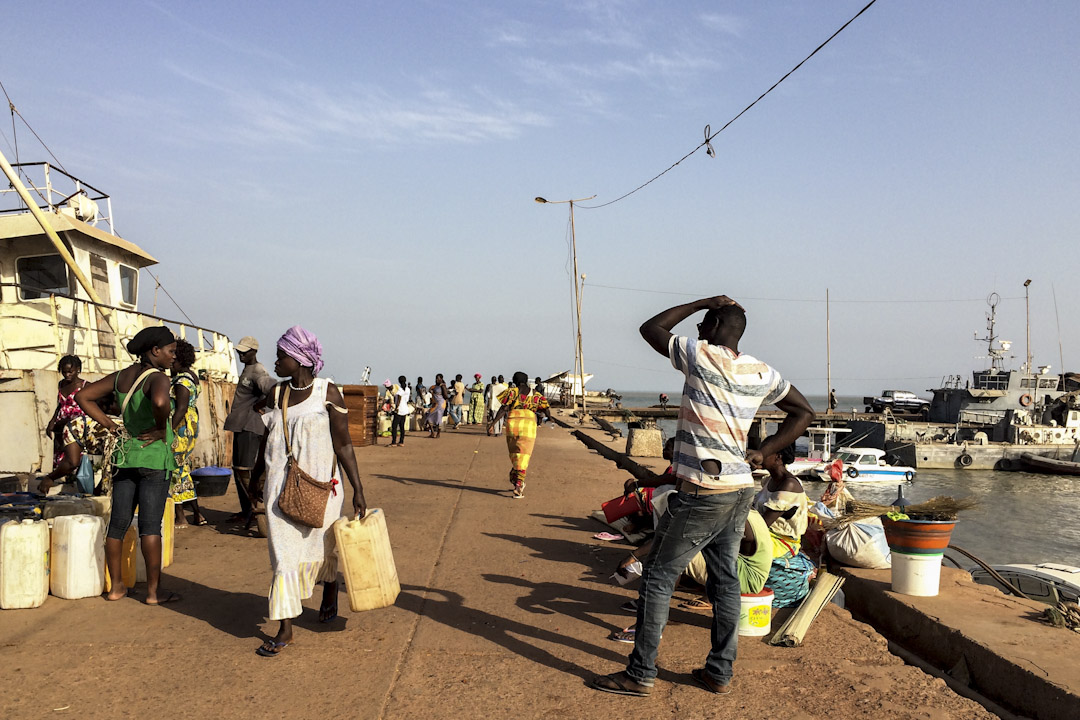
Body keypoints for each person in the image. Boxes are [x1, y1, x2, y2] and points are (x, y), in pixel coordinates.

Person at [590, 295, 813, 698]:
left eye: (702, 323)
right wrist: (763, 452)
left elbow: (651, 329)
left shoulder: (702, 354)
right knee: (725, 580)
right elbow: (804, 412)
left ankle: (640, 674)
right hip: (741, 489)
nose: (694, 330)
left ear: (713, 326)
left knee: (658, 576)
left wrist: (701, 301)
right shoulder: (762, 372)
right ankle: (718, 672)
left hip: (704, 492)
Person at [257, 326, 366, 657]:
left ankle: (329, 586)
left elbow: (344, 444)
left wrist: (359, 489)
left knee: (322, 547)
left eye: (281, 356)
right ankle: (285, 628)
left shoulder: (328, 393)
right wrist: (254, 481)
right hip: (280, 489)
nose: (275, 362)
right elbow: (268, 437)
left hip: (323, 487)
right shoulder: (277, 394)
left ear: (300, 359)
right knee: (284, 558)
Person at [77, 326, 181, 605]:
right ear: (155, 351)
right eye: (170, 351)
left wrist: (110, 424)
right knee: (150, 527)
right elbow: (160, 401)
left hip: (125, 457)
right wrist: (161, 427)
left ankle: (116, 588)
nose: (174, 357)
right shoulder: (158, 378)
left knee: (118, 525)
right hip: (153, 458)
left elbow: (83, 397)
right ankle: (153, 593)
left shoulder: (123, 376)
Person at [223, 336, 277, 522]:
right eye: (240, 352)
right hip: (242, 425)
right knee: (239, 470)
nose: (241, 355)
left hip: (250, 426)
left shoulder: (258, 371)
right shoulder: (247, 370)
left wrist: (260, 405)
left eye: (245, 352)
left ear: (254, 352)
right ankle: (247, 510)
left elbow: (273, 388)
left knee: (245, 470)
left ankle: (255, 510)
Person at [755, 441, 814, 608]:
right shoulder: (769, 481)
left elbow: (762, 524)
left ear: (778, 457)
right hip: (767, 534)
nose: (759, 454)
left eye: (765, 452)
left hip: (781, 542)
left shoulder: (789, 485)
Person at [40, 355, 98, 493]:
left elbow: (93, 408)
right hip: (61, 426)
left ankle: (78, 486)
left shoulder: (86, 386)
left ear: (78, 370)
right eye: (64, 372)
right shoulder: (62, 384)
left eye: (70, 372)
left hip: (77, 427)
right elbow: (59, 406)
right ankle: (64, 484)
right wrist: (52, 423)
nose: (67, 375)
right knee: (61, 455)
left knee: (75, 458)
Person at [490, 372, 552, 499]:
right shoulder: (536, 394)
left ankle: (516, 476)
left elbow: (503, 408)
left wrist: (493, 423)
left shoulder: (512, 392)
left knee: (515, 453)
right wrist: (550, 419)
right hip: (528, 426)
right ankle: (518, 485)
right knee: (524, 455)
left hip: (513, 425)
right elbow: (545, 408)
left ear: (514, 380)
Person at [169, 340, 204, 527]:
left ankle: (180, 517)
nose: (171, 361)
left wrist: (168, 430)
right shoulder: (192, 376)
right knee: (183, 469)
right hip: (190, 426)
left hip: (180, 428)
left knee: (175, 469)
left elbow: (180, 409)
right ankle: (198, 514)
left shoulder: (181, 381)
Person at [389, 375, 410, 447]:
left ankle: (394, 442)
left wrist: (396, 408)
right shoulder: (407, 389)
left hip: (399, 410)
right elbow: (406, 399)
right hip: (405, 409)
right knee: (402, 426)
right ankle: (401, 441)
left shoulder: (400, 390)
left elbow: (399, 399)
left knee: (394, 426)